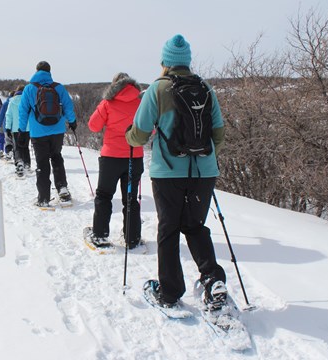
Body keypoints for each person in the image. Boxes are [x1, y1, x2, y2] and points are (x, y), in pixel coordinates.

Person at [125, 34, 227, 311]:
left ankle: (170, 292)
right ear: (187, 61)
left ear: (165, 62)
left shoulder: (158, 89)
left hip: (168, 172)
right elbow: (218, 132)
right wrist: (204, 156)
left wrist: (130, 137)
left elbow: (140, 133)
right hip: (204, 173)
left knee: (169, 229)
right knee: (195, 226)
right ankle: (213, 281)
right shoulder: (205, 88)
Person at [86, 72, 144, 249]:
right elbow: (151, 130)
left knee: (104, 196)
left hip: (111, 157)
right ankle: (132, 238)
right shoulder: (141, 103)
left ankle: (100, 235)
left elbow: (93, 126)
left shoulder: (108, 103)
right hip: (134, 157)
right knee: (131, 198)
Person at [18, 61, 77, 205]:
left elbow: (23, 111)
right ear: (49, 72)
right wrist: (72, 122)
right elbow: (68, 106)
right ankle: (62, 189)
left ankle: (43, 197)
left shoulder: (29, 88)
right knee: (56, 157)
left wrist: (21, 130)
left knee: (42, 163)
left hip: (38, 132)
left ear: (36, 71)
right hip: (57, 130)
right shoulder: (58, 87)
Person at [5, 85, 31, 177]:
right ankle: (27, 164)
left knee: (17, 147)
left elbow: (8, 115)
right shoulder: (27, 101)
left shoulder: (11, 101)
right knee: (25, 146)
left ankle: (19, 162)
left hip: (15, 129)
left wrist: (7, 127)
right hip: (27, 128)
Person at [0, 91, 14, 159]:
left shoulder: (6, 103)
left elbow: (1, 115)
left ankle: (6, 152)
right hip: (16, 126)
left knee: (6, 140)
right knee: (14, 140)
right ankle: (14, 153)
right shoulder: (19, 101)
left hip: (6, 125)